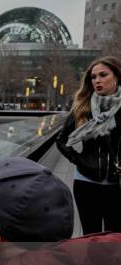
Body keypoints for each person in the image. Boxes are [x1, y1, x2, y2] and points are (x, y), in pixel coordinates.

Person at [56, 56, 121, 234]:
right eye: (93, 77)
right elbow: (61, 141)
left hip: (117, 184)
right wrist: (80, 161)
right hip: (86, 182)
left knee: (114, 238)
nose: (97, 80)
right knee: (91, 236)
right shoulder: (82, 107)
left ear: (116, 77)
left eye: (103, 75)